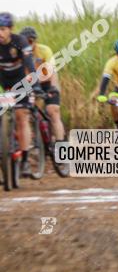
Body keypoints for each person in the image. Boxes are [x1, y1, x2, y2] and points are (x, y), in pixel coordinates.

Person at [0, 12, 37, 166]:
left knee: (22, 116)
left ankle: (25, 159)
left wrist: (34, 81)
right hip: (2, 81)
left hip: (20, 81)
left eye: (2, 29)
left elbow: (29, 63)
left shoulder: (20, 41)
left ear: (11, 29)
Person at [19, 26, 65, 142]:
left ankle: (61, 145)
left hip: (48, 83)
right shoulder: (19, 54)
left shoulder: (44, 50)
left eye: (30, 41)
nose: (28, 45)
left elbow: (53, 71)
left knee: (53, 110)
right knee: (22, 112)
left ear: (35, 41)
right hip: (29, 85)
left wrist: (53, 87)